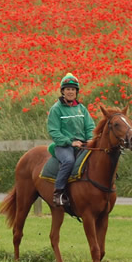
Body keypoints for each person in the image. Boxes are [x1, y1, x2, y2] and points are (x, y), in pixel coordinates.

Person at [47, 73, 95, 207]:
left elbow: (90, 126)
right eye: (67, 89)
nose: (70, 92)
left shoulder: (82, 109)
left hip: (83, 144)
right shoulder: (56, 109)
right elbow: (54, 131)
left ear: (76, 92)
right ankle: (59, 192)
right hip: (64, 146)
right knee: (68, 161)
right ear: (62, 91)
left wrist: (90, 139)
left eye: (73, 89)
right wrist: (70, 142)